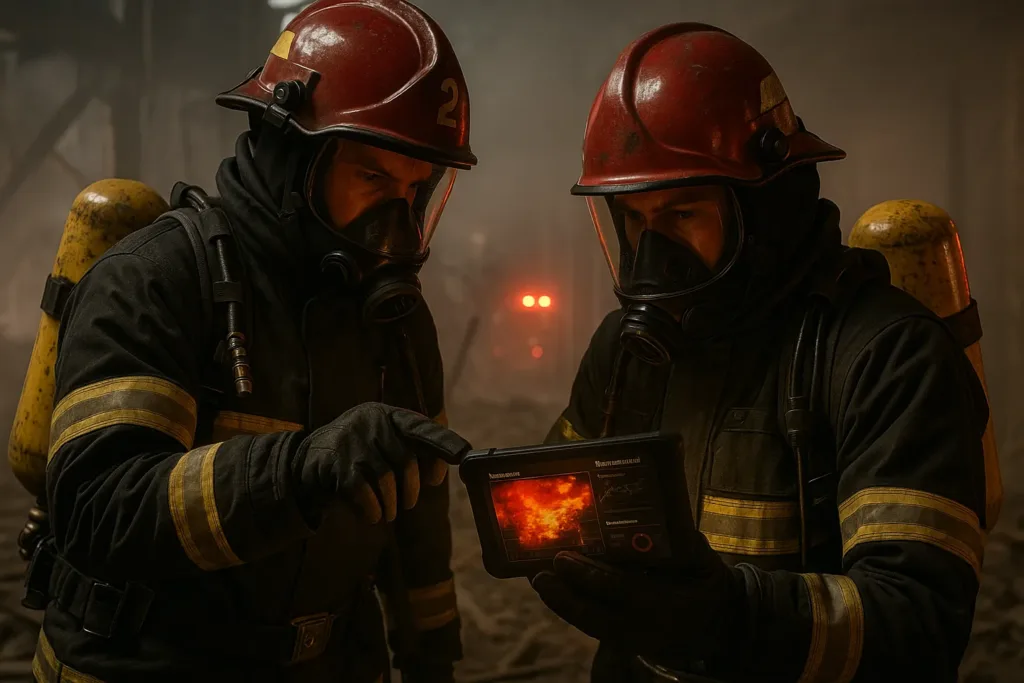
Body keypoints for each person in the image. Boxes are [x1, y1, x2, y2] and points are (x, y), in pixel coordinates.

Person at [532, 23, 994, 683]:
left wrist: (729, 619)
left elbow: (918, 625)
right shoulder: (628, 350)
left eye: (683, 215)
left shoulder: (887, 357)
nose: (653, 254)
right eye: (634, 220)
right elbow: (562, 506)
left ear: (767, 205)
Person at [29, 1, 476, 681]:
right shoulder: (157, 278)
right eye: (374, 178)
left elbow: (418, 519)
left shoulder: (393, 320)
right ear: (288, 152)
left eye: (416, 192)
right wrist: (299, 469)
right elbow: (101, 509)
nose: (398, 222)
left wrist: (432, 655)